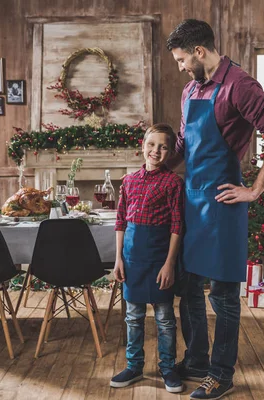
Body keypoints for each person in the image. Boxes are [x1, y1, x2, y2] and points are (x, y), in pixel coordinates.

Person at [166, 19, 264, 399]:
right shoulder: (190, 89)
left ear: (200, 52)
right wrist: (152, 168)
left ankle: (221, 374)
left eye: (183, 58)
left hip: (222, 204)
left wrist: (254, 190)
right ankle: (198, 360)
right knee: (188, 287)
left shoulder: (240, 85)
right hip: (192, 200)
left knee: (221, 294)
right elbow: (186, 144)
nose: (181, 66)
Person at [111, 123, 185, 394]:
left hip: (158, 259)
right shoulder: (128, 181)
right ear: (142, 146)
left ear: (170, 152)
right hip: (131, 258)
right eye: (152, 145)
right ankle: (134, 366)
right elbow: (120, 222)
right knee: (133, 316)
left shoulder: (174, 183)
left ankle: (168, 368)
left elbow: (177, 226)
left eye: (163, 147)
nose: (156, 151)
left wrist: (169, 264)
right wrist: (118, 259)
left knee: (164, 317)